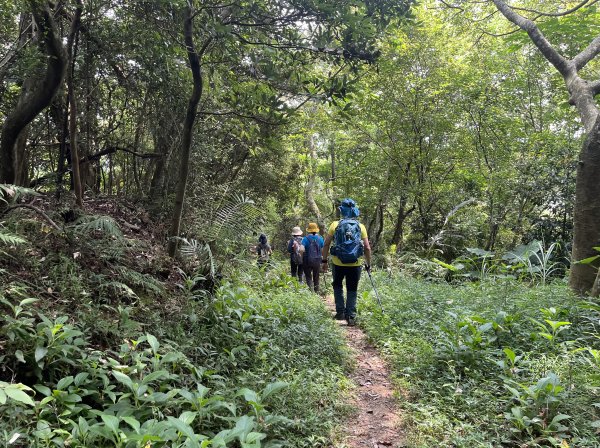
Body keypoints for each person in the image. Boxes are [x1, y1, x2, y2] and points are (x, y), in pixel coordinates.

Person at [322, 198, 372, 326]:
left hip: (338, 262)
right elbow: (367, 247)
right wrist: (368, 263)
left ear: (342, 210)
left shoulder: (335, 225)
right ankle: (351, 316)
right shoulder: (360, 227)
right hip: (355, 264)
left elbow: (326, 243)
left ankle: (340, 313)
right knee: (352, 288)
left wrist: (324, 261)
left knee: (337, 286)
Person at [301, 222, 325, 293]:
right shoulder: (320, 238)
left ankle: (311, 292)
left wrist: (301, 256)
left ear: (308, 230)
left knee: (308, 276)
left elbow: (301, 249)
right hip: (317, 260)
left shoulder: (305, 239)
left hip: (307, 260)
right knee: (316, 276)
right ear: (316, 229)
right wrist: (323, 259)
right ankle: (317, 291)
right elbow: (323, 250)